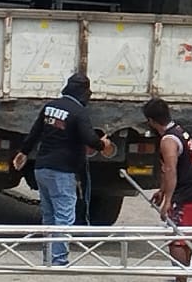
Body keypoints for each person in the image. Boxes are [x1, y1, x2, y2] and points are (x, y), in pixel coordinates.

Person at [12, 72, 115, 266]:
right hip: (62, 171)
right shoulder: (78, 112)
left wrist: (23, 152)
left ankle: (48, 258)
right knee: (64, 216)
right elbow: (90, 139)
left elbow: (35, 132)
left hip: (42, 168)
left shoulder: (50, 107)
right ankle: (59, 260)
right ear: (84, 92)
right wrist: (104, 144)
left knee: (49, 216)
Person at [141, 97, 192, 282]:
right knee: (183, 238)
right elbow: (168, 169)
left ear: (151, 121)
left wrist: (168, 200)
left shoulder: (168, 141)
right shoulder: (179, 131)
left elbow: (171, 170)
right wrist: (162, 190)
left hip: (188, 194)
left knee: (177, 239)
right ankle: (181, 279)